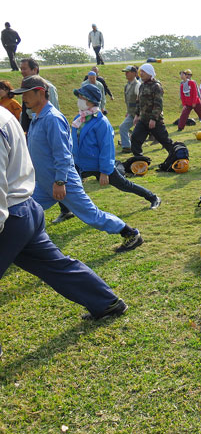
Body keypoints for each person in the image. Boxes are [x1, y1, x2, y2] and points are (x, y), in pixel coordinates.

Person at [0, 105, 128, 357]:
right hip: (25, 207)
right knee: (55, 264)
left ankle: (107, 297)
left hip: (11, 214)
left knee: (60, 258)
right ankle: (105, 302)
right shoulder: (5, 115)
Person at [11, 76, 143, 252]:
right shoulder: (37, 117)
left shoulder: (52, 118)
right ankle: (20, 244)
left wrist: (60, 182)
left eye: (26, 94)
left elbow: (63, 154)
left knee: (92, 215)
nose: (23, 98)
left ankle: (131, 234)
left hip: (63, 182)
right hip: (44, 183)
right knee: (23, 211)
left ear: (40, 93)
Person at [61, 85, 161, 215]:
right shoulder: (78, 119)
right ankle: (66, 211)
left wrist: (104, 171)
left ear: (90, 100)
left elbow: (107, 148)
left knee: (124, 184)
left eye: (81, 97)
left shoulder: (101, 122)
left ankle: (153, 197)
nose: (78, 100)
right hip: (80, 163)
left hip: (98, 163)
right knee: (63, 181)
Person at [131, 63, 174, 158]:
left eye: (143, 72)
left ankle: (176, 156)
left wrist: (153, 119)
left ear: (150, 73)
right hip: (143, 120)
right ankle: (139, 160)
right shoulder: (142, 86)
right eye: (140, 71)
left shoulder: (156, 86)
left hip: (155, 120)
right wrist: (136, 115)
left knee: (164, 140)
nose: (141, 74)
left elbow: (158, 104)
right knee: (135, 138)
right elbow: (139, 102)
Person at [118, 65, 140, 153]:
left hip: (139, 114)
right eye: (125, 72)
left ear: (134, 73)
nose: (126, 74)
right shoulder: (127, 86)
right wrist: (128, 111)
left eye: (128, 72)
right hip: (132, 113)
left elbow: (140, 101)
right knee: (123, 127)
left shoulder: (138, 85)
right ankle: (127, 146)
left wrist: (138, 115)